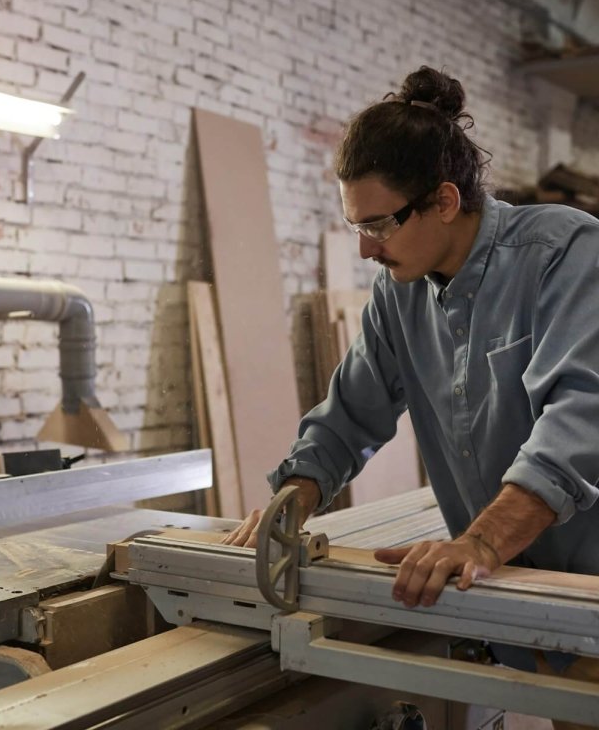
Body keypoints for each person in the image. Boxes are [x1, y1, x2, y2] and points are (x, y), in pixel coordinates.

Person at [223, 66, 599, 730]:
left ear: (445, 200)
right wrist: (293, 500)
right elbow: (349, 413)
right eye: (355, 227)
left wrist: (481, 542)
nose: (365, 248)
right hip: (528, 607)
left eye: (380, 225)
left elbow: (581, 418)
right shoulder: (400, 295)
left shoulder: (562, 254)